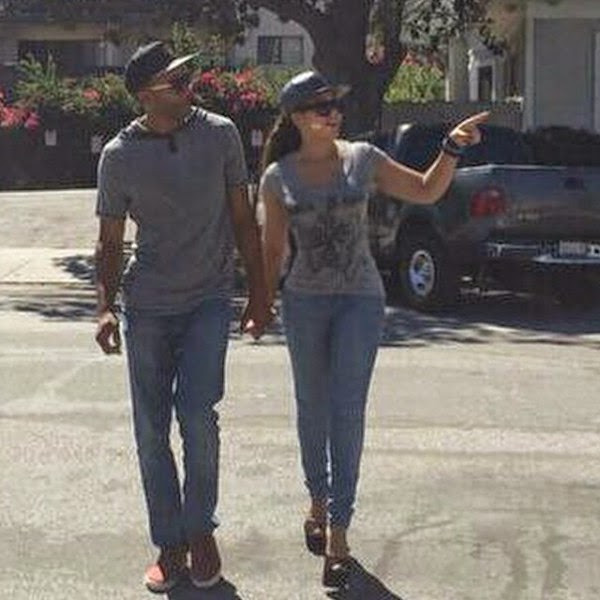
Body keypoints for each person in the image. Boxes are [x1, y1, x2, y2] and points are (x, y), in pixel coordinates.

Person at [259, 70, 488, 588]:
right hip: (305, 302)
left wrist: (452, 147)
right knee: (311, 406)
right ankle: (317, 499)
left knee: (347, 411)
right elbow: (273, 250)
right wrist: (260, 301)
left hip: (359, 300)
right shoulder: (278, 178)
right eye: (322, 108)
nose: (333, 114)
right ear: (297, 118)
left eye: (336, 106)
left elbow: (426, 190)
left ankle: (339, 532)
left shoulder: (362, 159)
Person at [94, 41, 271, 594]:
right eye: (176, 81)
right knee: (151, 431)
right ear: (147, 95)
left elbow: (242, 218)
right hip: (147, 306)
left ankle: (200, 531)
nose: (188, 85)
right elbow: (109, 241)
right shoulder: (119, 156)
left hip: (207, 300)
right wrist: (104, 307)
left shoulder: (220, 135)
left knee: (197, 416)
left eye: (186, 75)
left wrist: (260, 293)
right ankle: (169, 543)